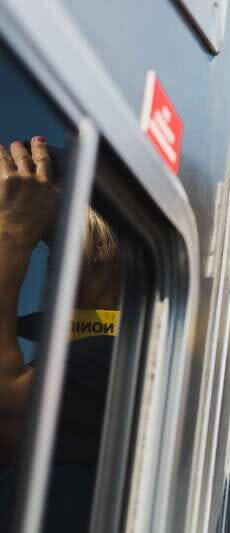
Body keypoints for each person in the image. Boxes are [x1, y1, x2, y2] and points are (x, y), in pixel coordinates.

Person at [0, 136, 121, 531]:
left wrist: (14, 232)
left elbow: (4, 407)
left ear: (102, 243)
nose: (46, 250)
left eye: (54, 235)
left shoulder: (109, 357)